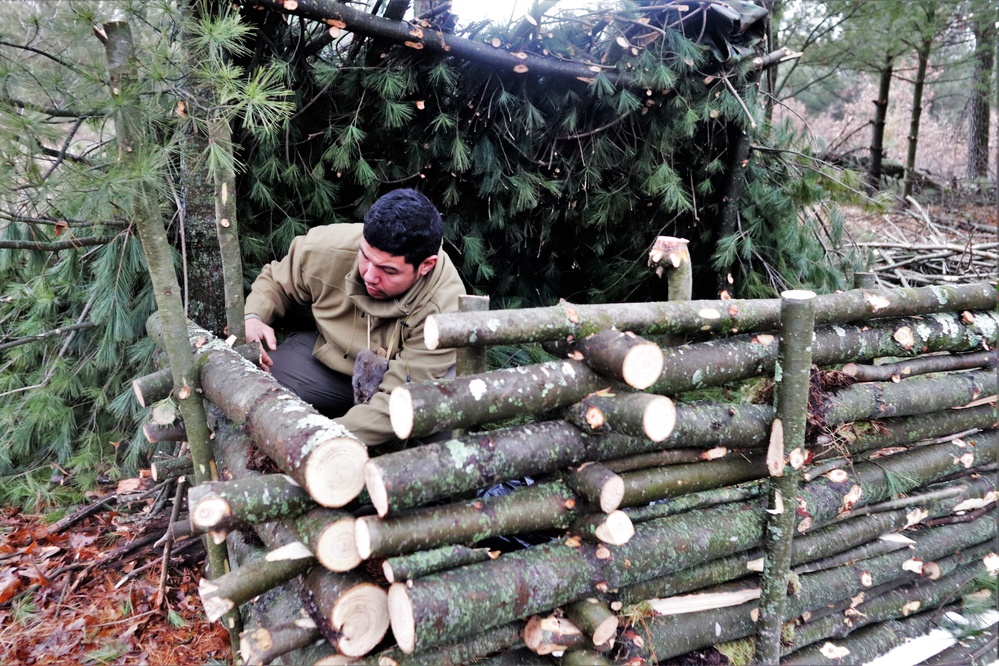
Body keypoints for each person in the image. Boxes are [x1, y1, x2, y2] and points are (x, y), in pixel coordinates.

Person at [243, 189, 466, 446]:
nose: (370, 275)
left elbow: (397, 398)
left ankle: (420, 471)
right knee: (265, 382)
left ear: (426, 265)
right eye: (366, 257)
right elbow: (277, 280)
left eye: (388, 270)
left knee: (450, 399)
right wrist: (254, 316)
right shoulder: (328, 248)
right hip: (334, 364)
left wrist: (318, 441)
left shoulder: (445, 308)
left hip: (404, 385)